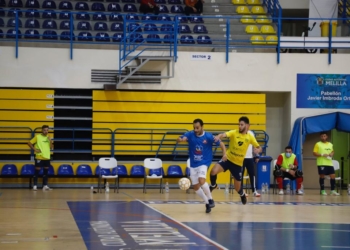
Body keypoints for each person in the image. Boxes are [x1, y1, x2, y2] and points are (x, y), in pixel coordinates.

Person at [209, 116, 262, 205]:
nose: (239, 126)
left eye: (242, 125)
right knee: (213, 171)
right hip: (228, 159)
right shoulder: (234, 132)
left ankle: (242, 194)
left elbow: (259, 147)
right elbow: (224, 134)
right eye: (239, 124)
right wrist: (219, 136)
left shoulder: (250, 137)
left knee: (237, 188)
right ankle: (214, 185)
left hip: (237, 164)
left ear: (247, 126)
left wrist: (258, 150)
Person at [177, 118, 226, 213]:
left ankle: (211, 199)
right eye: (194, 128)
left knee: (201, 180)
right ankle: (207, 202)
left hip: (204, 162)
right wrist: (180, 139)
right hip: (193, 164)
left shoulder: (208, 136)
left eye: (197, 128)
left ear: (202, 127)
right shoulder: (190, 134)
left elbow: (222, 144)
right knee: (196, 187)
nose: (195, 130)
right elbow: (179, 139)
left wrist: (224, 154)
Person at [313, 131, 340, 196]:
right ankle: (322, 190)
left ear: (327, 136)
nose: (323, 137)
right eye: (322, 136)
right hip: (322, 163)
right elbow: (314, 153)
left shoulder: (330, 144)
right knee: (322, 176)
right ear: (320, 137)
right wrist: (322, 154)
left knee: (333, 175)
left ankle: (332, 190)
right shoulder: (318, 144)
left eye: (324, 136)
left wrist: (332, 154)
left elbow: (333, 151)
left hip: (329, 163)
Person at [28, 125, 53, 191]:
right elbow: (29, 143)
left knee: (46, 172)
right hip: (39, 156)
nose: (46, 131)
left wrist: (50, 141)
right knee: (37, 171)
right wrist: (34, 149)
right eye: (45, 130)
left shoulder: (48, 137)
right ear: (42, 130)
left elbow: (51, 147)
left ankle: (45, 185)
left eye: (47, 130)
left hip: (47, 157)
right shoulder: (37, 136)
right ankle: (35, 185)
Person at [241, 130, 260, 197]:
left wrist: (256, 155)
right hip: (241, 158)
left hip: (250, 157)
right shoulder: (239, 133)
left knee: (252, 175)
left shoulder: (251, 133)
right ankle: (242, 191)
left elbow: (254, 145)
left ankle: (254, 191)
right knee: (241, 175)